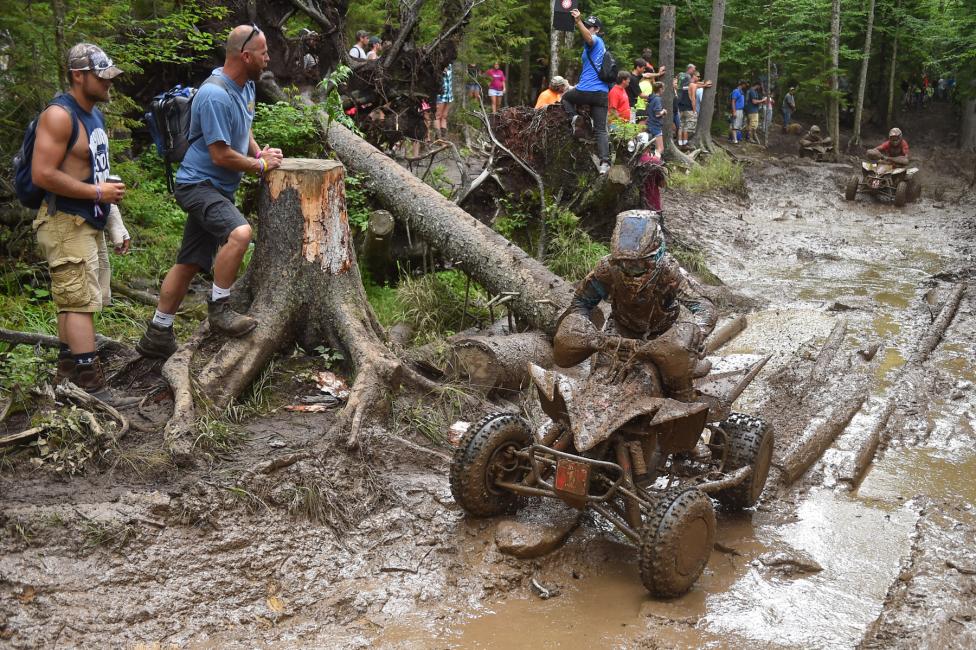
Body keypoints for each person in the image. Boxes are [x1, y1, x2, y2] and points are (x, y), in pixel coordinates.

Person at [137, 25, 284, 359]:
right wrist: (258, 167)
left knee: (189, 262)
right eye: (263, 53)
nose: (268, 58)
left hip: (215, 187)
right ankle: (220, 308)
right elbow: (220, 155)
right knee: (240, 233)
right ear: (245, 56)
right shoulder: (215, 94)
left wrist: (259, 154)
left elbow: (243, 132)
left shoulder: (245, 86)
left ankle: (157, 333)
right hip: (199, 186)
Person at [30, 43, 128, 394]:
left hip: (88, 221)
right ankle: (93, 387)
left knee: (78, 301)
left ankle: (67, 376)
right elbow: (42, 174)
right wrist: (98, 195)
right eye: (102, 77)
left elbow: (96, 174)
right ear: (78, 76)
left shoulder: (94, 114)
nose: (109, 83)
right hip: (64, 221)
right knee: (79, 303)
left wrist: (114, 221)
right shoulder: (59, 116)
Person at [554, 211, 716, 402]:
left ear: (655, 257)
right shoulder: (607, 269)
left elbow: (703, 305)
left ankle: (689, 417)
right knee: (599, 381)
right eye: (625, 264)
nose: (631, 270)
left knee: (677, 389)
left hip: (663, 337)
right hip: (618, 334)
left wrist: (697, 333)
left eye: (639, 265)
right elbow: (581, 301)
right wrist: (582, 326)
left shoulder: (669, 272)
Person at [562, 10, 611, 174]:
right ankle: (605, 162)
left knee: (566, 98)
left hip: (587, 91)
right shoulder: (599, 47)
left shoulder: (595, 40)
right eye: (587, 25)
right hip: (601, 94)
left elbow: (589, 38)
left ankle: (574, 118)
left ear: (597, 29)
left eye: (591, 26)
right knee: (601, 129)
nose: (588, 28)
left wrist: (578, 22)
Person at [645, 81, 667, 156]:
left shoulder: (651, 98)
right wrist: (663, 111)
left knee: (649, 148)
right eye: (663, 89)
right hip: (656, 126)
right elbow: (657, 114)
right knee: (660, 149)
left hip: (650, 125)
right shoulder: (657, 99)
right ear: (660, 89)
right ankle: (655, 163)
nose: (663, 91)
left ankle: (649, 161)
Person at [676, 64, 696, 146]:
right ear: (690, 69)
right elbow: (693, 97)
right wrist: (694, 110)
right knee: (687, 126)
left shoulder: (680, 76)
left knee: (681, 125)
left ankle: (680, 142)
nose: (694, 71)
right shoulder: (689, 80)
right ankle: (685, 142)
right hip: (688, 107)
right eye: (694, 69)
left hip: (679, 105)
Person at [434, 64, 453, 139]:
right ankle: (438, 138)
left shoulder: (449, 65)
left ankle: (443, 138)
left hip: (449, 94)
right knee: (437, 116)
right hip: (440, 95)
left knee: (444, 116)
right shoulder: (437, 65)